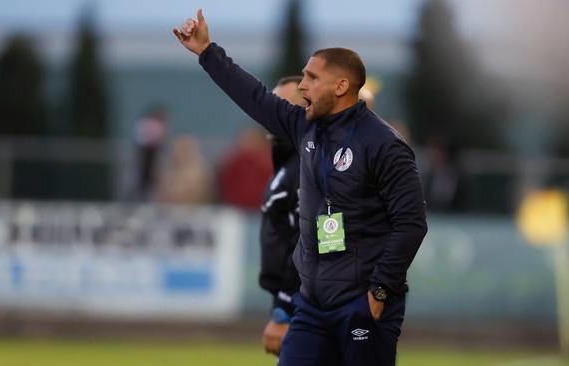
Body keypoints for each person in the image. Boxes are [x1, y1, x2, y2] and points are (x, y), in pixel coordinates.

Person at [173, 10, 427, 366]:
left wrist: (380, 289)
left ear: (341, 87)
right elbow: (254, 96)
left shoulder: (384, 144)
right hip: (312, 305)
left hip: (362, 304)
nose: (302, 86)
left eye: (312, 78)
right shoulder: (304, 127)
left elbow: (412, 224)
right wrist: (206, 51)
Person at [259, 76, 306, 357]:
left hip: (303, 303)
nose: (271, 112)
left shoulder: (304, 166)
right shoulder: (289, 162)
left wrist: (285, 306)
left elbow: (307, 239)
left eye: (282, 104)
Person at [134, 105, 168, 200]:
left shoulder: (153, 125)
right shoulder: (151, 125)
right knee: (144, 178)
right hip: (147, 153)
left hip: (152, 153)